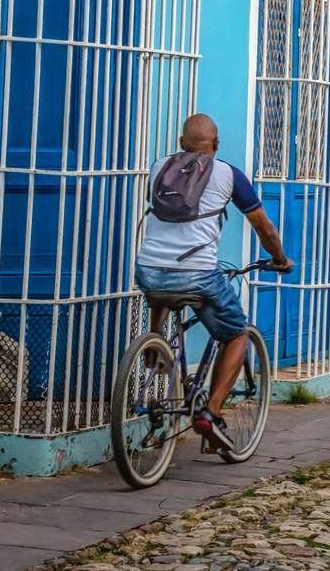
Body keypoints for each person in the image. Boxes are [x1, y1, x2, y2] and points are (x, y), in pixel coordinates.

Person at [136, 112, 292, 451]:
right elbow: (264, 227)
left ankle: (155, 344)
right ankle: (211, 413)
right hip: (198, 273)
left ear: (180, 144)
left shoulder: (158, 167)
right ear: (216, 144)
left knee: (163, 284)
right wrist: (279, 258)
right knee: (236, 334)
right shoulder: (228, 174)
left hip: (148, 268)